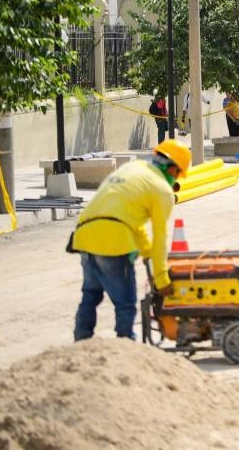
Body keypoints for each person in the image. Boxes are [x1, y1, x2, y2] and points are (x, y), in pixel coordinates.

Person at [71, 139, 190, 341]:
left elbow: (131, 220)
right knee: (125, 302)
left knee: (90, 295)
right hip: (113, 239)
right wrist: (162, 279)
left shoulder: (132, 168)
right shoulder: (162, 190)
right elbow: (160, 236)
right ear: (172, 168)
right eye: (178, 173)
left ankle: (82, 340)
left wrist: (146, 253)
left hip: (84, 234)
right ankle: (126, 344)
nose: (177, 177)